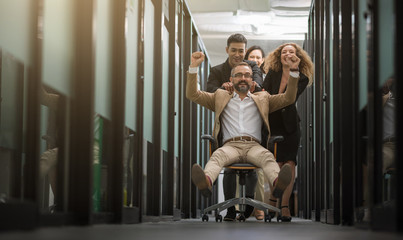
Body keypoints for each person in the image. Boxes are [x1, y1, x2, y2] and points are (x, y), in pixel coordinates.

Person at [187, 52, 302, 222]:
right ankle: (206, 182)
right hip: (230, 146)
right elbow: (193, 95)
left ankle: (278, 184)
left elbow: (289, 98)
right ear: (231, 79)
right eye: (239, 75)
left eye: (247, 75)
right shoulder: (220, 96)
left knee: (268, 158)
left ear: (252, 80)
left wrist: (293, 71)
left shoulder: (263, 98)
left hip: (254, 146)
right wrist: (193, 67)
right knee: (217, 157)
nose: (243, 78)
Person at [206, 33, 263, 221]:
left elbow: (259, 84)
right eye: (234, 50)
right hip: (227, 129)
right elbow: (210, 91)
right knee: (230, 169)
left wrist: (247, 83)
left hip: (250, 126)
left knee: (252, 168)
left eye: (241, 50)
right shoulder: (216, 70)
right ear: (227, 50)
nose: (238, 54)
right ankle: (230, 210)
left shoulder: (252, 66)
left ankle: (249, 204)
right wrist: (223, 89)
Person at [262, 42, 314, 222]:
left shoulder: (302, 77)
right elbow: (264, 94)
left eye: (291, 51)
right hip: (272, 123)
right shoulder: (272, 73)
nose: (288, 54)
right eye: (284, 52)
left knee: (289, 165)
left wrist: (293, 70)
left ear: (297, 56)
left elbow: (290, 99)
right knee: (274, 164)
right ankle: (272, 202)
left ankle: (285, 206)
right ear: (279, 56)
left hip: (291, 126)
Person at [244, 45, 267, 220]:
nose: (255, 60)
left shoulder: (267, 80)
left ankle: (258, 207)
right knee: (237, 170)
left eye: (258, 57)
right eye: (251, 56)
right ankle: (237, 207)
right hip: (241, 128)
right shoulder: (242, 77)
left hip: (259, 130)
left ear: (263, 60)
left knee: (258, 170)